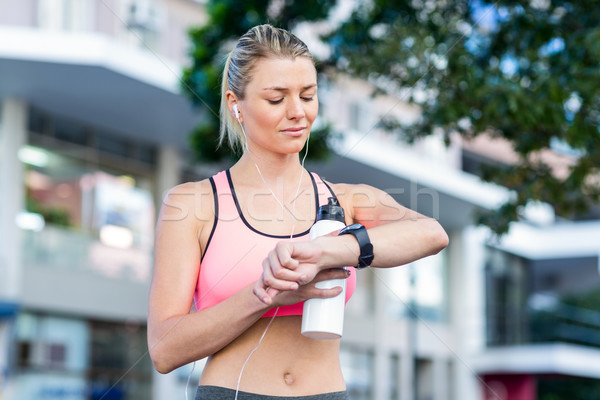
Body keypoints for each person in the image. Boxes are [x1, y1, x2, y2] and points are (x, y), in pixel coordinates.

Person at [147, 24, 449, 400]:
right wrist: (265, 294)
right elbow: (164, 349)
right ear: (234, 103)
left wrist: (326, 251)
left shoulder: (346, 200)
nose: (297, 112)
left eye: (308, 95)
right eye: (276, 99)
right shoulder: (192, 203)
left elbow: (432, 233)